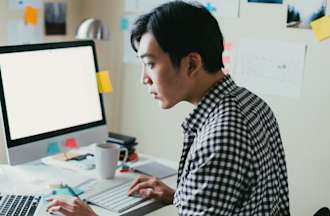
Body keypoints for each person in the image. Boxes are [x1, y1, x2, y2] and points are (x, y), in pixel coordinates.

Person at [47, 1, 290, 215]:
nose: (144, 78)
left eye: (150, 64)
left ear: (192, 63)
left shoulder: (220, 135)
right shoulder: (252, 103)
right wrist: (181, 197)